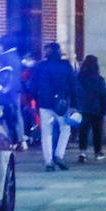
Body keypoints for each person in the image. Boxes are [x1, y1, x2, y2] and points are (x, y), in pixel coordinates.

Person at [27, 42, 79, 171]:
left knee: (46, 132)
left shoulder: (40, 67)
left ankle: (48, 161)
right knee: (65, 129)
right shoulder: (66, 66)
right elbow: (73, 85)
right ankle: (59, 155)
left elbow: (32, 85)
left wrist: (32, 99)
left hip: (44, 103)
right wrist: (74, 104)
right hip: (62, 103)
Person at [76, 55, 106, 162]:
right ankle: (97, 152)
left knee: (83, 131)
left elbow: (76, 92)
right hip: (97, 108)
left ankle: (82, 152)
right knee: (97, 131)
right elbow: (104, 94)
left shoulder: (79, 78)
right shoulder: (99, 79)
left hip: (83, 108)